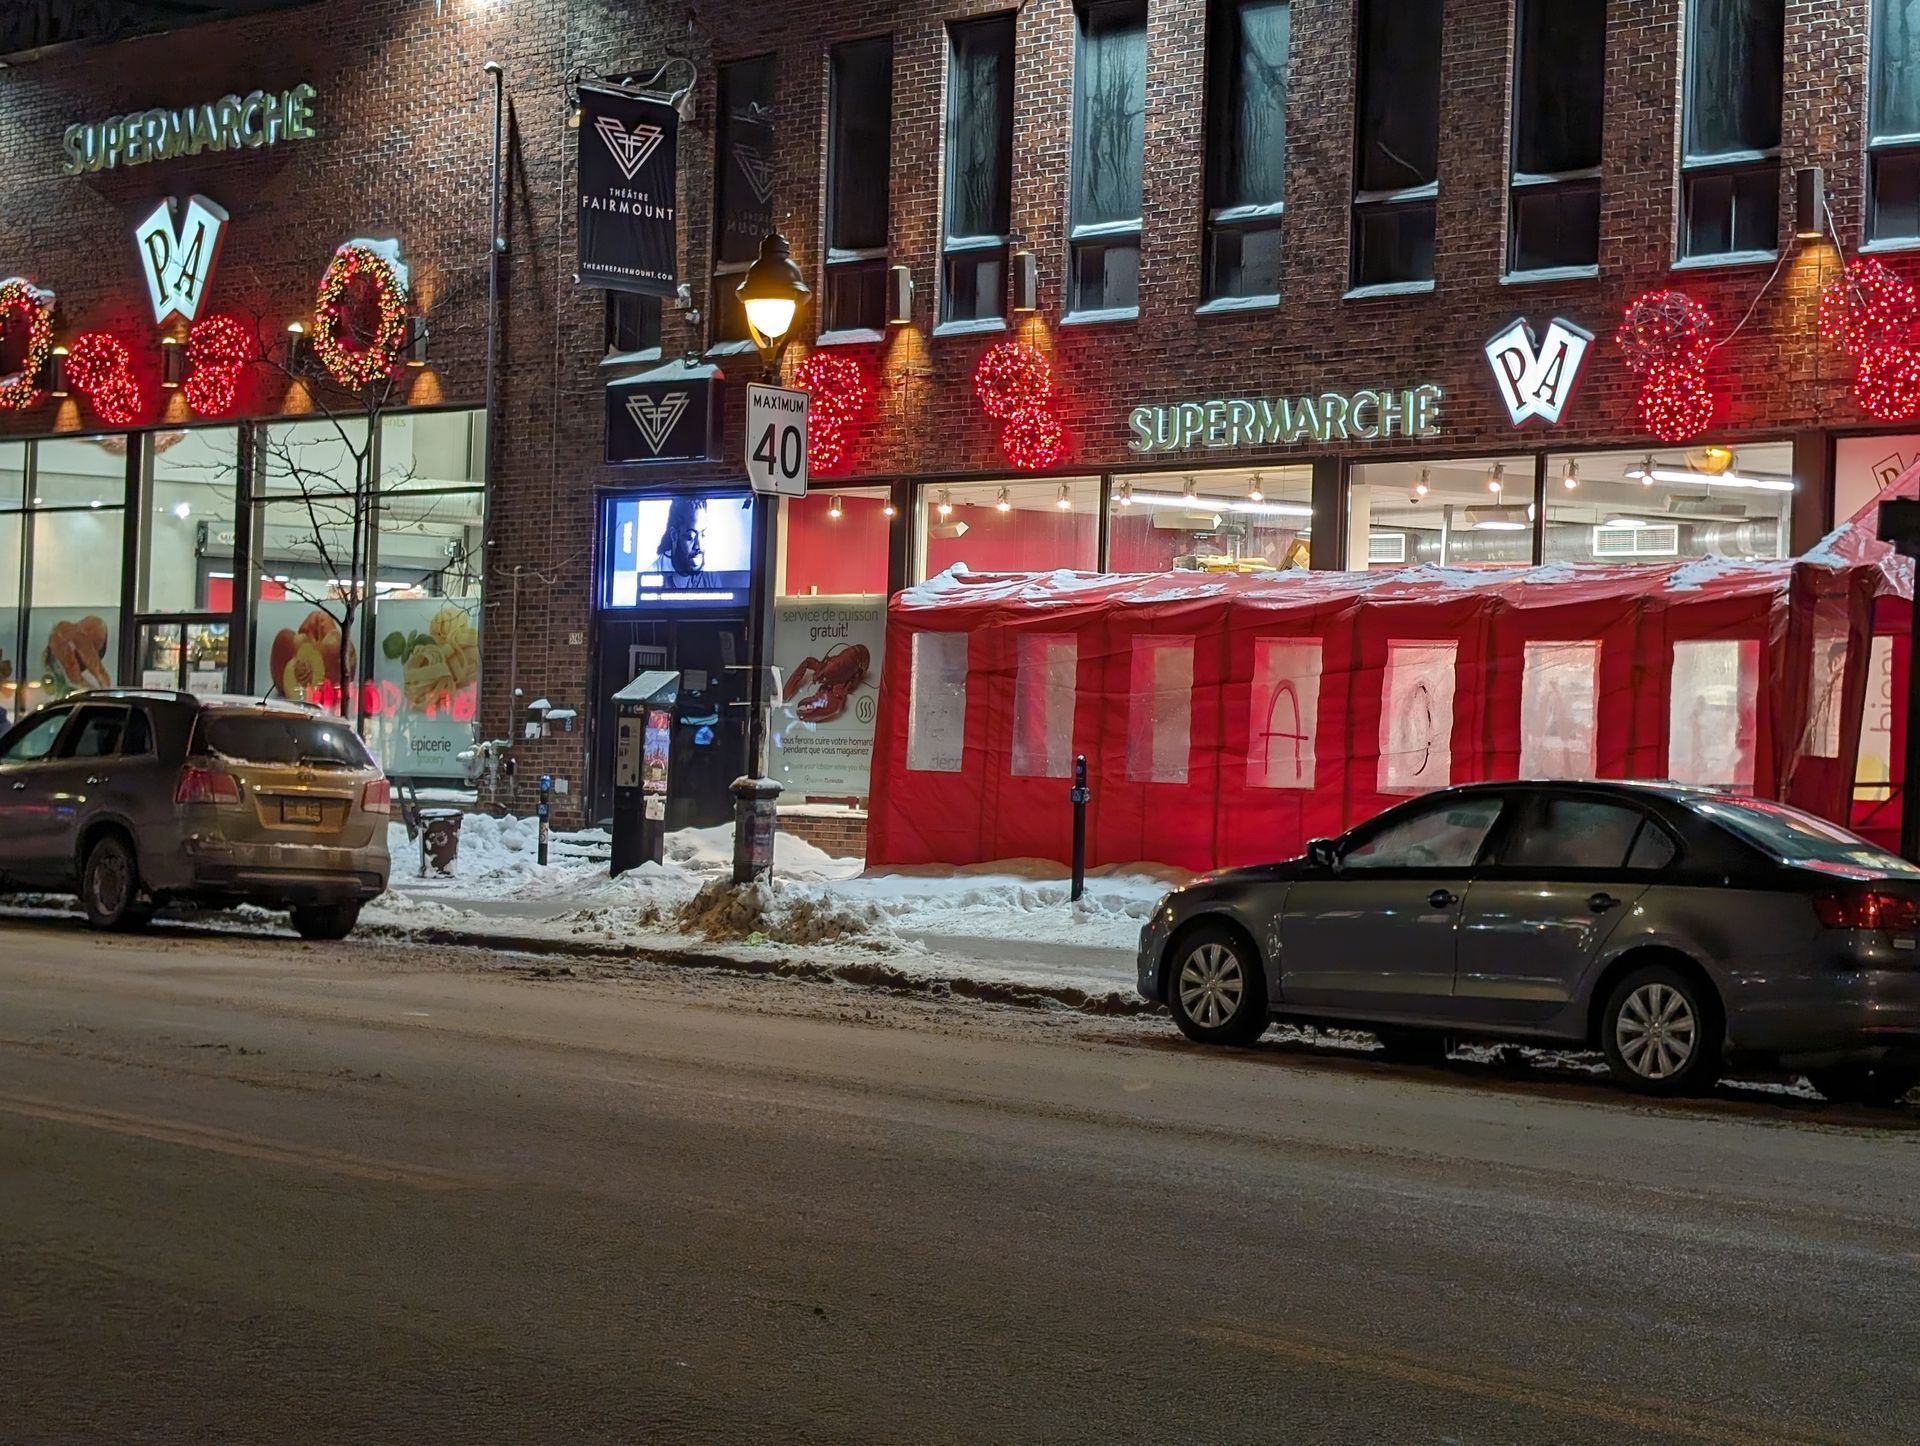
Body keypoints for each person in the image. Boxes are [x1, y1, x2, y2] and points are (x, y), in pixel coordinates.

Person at [649, 496, 709, 588]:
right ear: (674, 536)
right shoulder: (652, 575)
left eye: (703, 534)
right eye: (690, 537)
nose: (699, 546)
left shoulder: (711, 577)